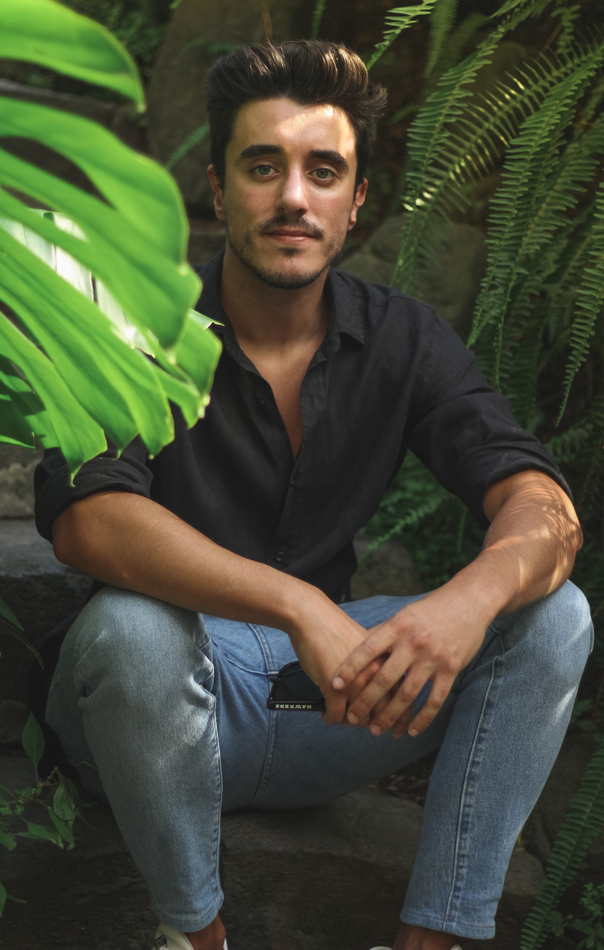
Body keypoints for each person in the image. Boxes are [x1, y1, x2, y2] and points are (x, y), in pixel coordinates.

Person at [34, 40, 593, 950]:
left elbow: (542, 504)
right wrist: (298, 605)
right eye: (263, 167)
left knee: (555, 615)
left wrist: (467, 603)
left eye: (323, 171)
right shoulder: (132, 323)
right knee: (131, 630)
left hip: (327, 707)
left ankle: (434, 941)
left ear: (356, 198)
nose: (293, 197)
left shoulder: (404, 339)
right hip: (151, 708)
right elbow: (87, 519)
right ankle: (195, 937)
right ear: (219, 191)